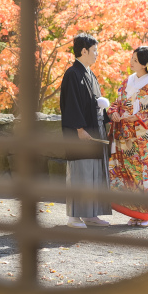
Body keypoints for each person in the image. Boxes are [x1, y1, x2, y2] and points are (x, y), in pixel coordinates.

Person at [106, 46, 148, 227]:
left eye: (135, 60)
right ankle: (134, 213)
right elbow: (117, 102)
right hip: (125, 135)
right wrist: (114, 112)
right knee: (128, 174)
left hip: (144, 137)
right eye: (132, 58)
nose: (131, 62)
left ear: (145, 63)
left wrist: (138, 117)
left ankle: (146, 213)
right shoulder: (128, 80)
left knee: (144, 174)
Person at [60, 33, 112, 228]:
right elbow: (71, 105)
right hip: (80, 134)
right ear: (84, 51)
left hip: (95, 131)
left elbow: (94, 104)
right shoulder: (72, 74)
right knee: (80, 174)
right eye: (94, 50)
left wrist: (106, 112)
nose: (97, 54)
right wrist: (80, 129)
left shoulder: (90, 74)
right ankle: (74, 217)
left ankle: (91, 215)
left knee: (94, 175)